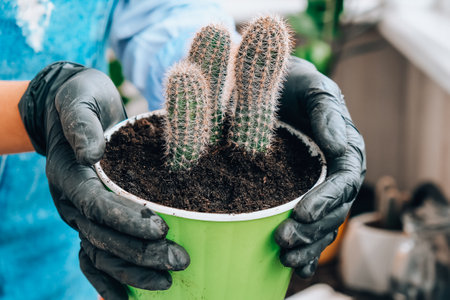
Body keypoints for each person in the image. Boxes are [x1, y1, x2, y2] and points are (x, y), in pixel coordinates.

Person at [0, 1, 366, 299]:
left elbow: (162, 10)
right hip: (68, 165)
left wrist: (242, 81)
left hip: (62, 245)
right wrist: (31, 109)